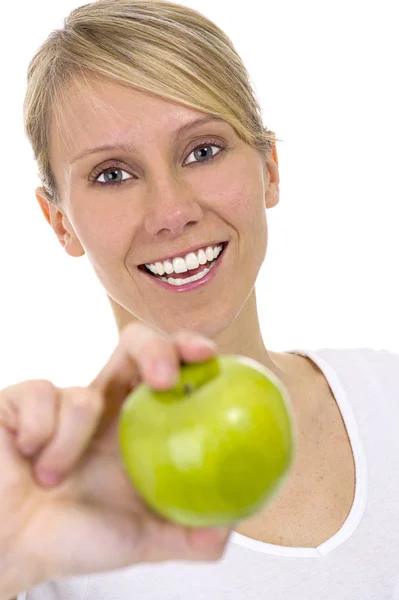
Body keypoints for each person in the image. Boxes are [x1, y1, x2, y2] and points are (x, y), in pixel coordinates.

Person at [2, 0, 398, 597]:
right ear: (59, 221)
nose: (172, 213)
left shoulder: (387, 396)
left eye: (203, 151)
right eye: (112, 173)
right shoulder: (49, 519)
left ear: (269, 167)